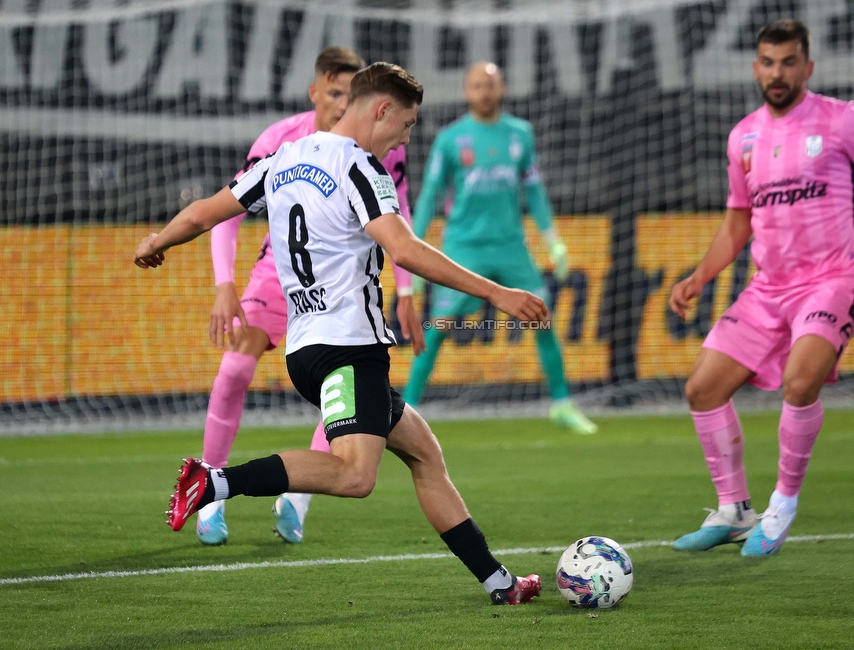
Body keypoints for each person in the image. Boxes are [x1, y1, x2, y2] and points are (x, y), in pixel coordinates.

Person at [134, 63, 545, 605]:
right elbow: (404, 250)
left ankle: (500, 584)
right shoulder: (362, 169)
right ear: (381, 109)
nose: (407, 135)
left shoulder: (282, 160)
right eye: (407, 123)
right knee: (356, 476)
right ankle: (213, 484)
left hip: (308, 346)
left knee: (424, 455)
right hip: (349, 346)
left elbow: (206, 213)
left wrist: (157, 240)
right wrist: (496, 294)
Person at [668, 20, 854, 556]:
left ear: (807, 67)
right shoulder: (742, 136)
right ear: (755, 68)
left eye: (789, 62)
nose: (778, 73)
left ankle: (782, 504)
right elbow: (739, 220)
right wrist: (701, 274)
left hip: (833, 278)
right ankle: (734, 510)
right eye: (768, 62)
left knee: (799, 380)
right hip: (770, 287)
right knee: (703, 388)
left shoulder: (843, 121)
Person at [198, 47, 424, 546]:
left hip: (340, 286)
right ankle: (208, 493)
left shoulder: (380, 148)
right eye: (337, 92)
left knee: (341, 387)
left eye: (352, 93)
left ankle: (295, 502)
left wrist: (406, 289)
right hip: (275, 276)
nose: (345, 103)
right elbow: (226, 211)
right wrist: (223, 285)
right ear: (316, 92)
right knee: (236, 367)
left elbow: (399, 209)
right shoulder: (280, 140)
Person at [403, 62, 597, 435]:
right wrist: (414, 246)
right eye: (476, 85)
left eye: (490, 84)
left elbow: (535, 191)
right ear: (466, 91)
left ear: (502, 88)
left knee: (541, 318)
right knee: (438, 327)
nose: (484, 91)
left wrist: (552, 240)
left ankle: (561, 404)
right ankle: (406, 409)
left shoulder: (520, 134)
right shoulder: (450, 139)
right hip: (462, 248)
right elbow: (429, 196)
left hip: (511, 247)